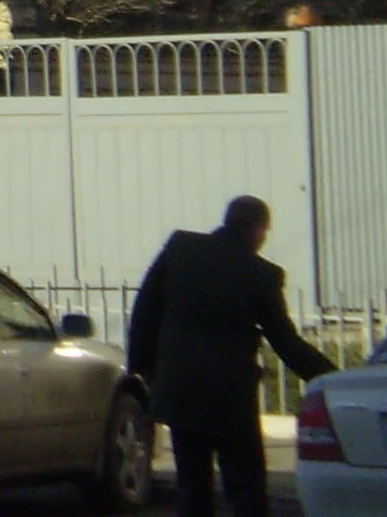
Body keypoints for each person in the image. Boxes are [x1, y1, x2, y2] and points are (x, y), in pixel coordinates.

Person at [128, 194, 336, 517]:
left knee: (192, 487)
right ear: (258, 230)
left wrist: (143, 370)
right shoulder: (261, 274)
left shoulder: (180, 249)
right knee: (245, 487)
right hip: (230, 398)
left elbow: (144, 312)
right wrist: (331, 379)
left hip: (180, 390)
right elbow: (285, 341)